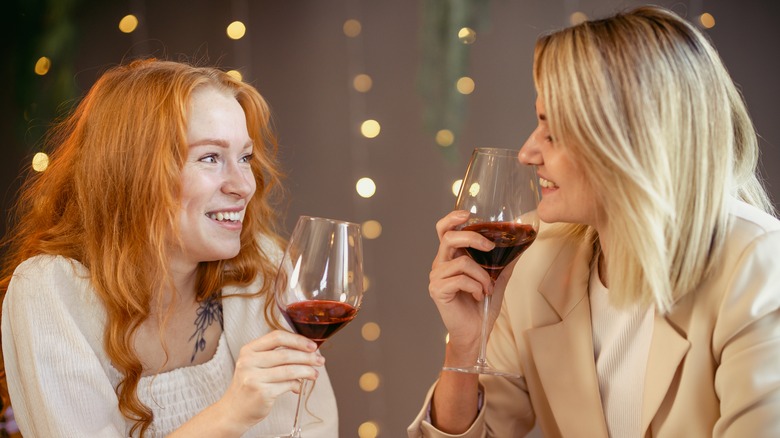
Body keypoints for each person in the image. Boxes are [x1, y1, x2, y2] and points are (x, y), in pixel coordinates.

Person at [409, 5, 780, 438]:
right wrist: (465, 346)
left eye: (552, 131)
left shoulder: (759, 266)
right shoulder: (535, 256)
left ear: (630, 141)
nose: (527, 153)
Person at [0, 59, 338, 437]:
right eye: (210, 157)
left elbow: (314, 427)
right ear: (134, 171)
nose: (244, 185)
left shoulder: (261, 265)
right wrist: (231, 413)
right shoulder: (50, 291)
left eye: (245, 157)